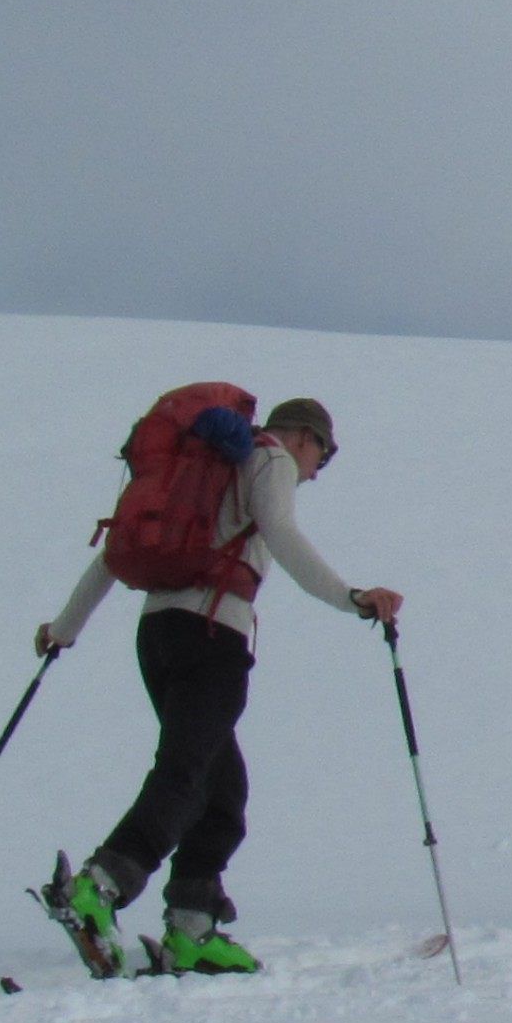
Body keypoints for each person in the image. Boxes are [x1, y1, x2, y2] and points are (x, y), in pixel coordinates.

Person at [32, 395, 398, 978]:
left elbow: (115, 554)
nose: (316, 472)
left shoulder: (197, 473)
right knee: (187, 774)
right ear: (304, 437)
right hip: (212, 633)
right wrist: (351, 597)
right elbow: (280, 531)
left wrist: (64, 629)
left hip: (158, 635)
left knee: (222, 791)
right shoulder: (270, 459)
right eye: (322, 457)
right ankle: (97, 889)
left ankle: (192, 928)